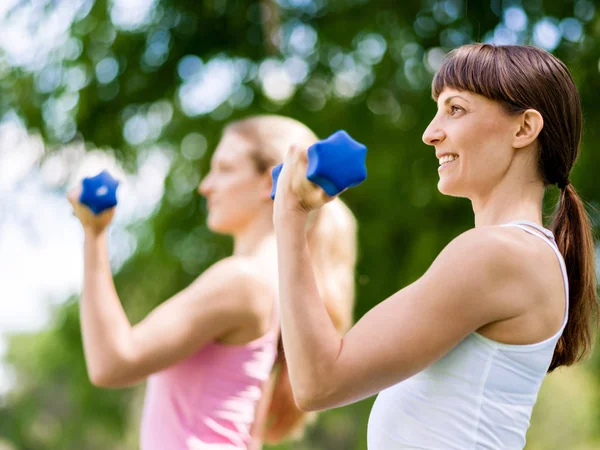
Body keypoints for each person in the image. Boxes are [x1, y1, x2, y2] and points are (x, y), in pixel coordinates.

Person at [272, 43, 599, 449]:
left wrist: (289, 221)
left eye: (456, 109)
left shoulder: (498, 254)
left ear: (523, 129)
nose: (430, 133)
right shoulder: (513, 253)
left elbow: (319, 382)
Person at [67, 115, 357, 449]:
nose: (206, 185)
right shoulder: (274, 287)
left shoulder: (241, 280)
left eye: (224, 169)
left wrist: (94, 234)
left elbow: (113, 362)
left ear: (268, 182)